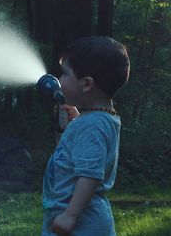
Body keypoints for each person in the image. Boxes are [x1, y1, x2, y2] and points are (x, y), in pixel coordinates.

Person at [42, 36, 130, 236]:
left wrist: (70, 215)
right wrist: (77, 119)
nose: (60, 80)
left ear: (87, 84)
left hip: (80, 224)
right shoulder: (99, 120)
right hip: (80, 221)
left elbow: (90, 174)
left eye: (65, 75)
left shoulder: (92, 126)